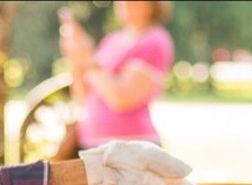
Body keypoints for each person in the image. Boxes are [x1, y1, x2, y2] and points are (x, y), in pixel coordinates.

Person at [58, 1, 174, 153]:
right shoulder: (111, 41)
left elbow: (121, 98)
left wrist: (87, 58)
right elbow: (83, 96)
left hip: (131, 147)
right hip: (91, 144)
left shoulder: (154, 41)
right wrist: (76, 56)